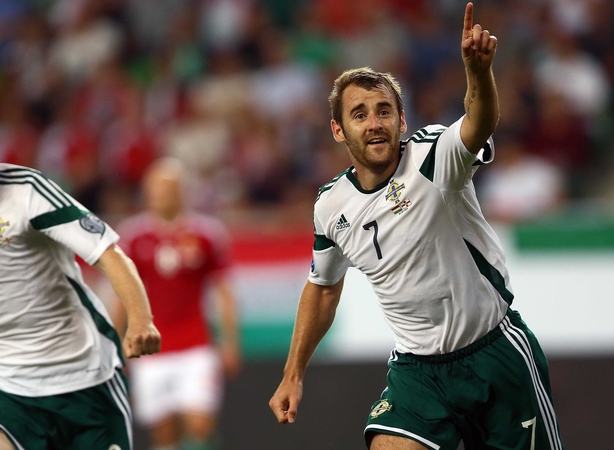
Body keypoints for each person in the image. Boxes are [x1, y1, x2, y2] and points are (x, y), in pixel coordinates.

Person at [268, 4, 564, 450]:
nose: (374, 123)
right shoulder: (331, 206)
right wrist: (293, 375)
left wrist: (478, 74)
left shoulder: (431, 156)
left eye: (384, 111)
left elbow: (477, 124)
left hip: (495, 355)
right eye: (360, 114)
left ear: (402, 121)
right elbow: (323, 287)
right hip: (418, 372)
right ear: (337, 129)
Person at [0, 95, 161, 450]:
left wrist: (141, 320)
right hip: (9, 389)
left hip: (87, 380)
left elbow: (110, 255)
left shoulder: (26, 191)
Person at [115, 157, 240, 450]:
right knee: (163, 433)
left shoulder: (206, 234)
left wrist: (231, 340)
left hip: (196, 345)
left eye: (167, 188)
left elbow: (224, 291)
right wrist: (118, 341)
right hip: (152, 348)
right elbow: (121, 294)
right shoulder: (134, 237)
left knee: (200, 425)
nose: (160, 195)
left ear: (182, 191)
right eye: (155, 189)